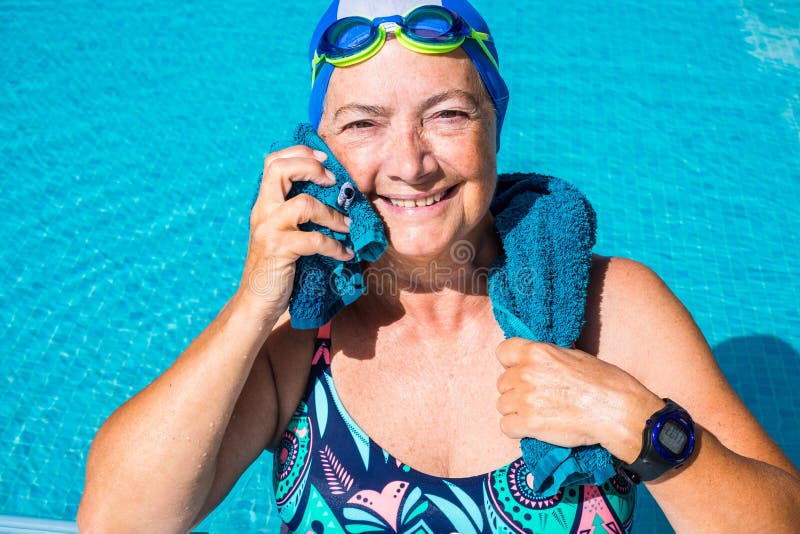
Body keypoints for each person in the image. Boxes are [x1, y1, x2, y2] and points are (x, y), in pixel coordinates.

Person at [78, 1, 800, 532]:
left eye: (448, 114)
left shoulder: (609, 313)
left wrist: (639, 425)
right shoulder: (302, 342)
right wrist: (249, 306)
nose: (411, 163)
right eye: (363, 123)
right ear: (317, 147)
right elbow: (117, 522)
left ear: (495, 124)